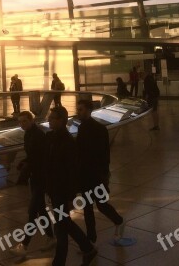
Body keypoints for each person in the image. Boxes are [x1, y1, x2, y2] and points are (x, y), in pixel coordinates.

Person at [45, 106, 97, 266]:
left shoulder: (67, 142)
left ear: (62, 120)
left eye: (53, 118)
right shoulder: (52, 137)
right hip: (55, 189)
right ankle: (87, 249)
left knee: (62, 225)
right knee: (63, 223)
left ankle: (60, 261)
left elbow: (72, 171)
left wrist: (70, 196)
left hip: (61, 190)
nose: (49, 120)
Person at [76, 99, 125, 244]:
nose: (79, 112)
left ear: (89, 110)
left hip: (95, 175)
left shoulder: (94, 129)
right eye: (78, 109)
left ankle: (118, 221)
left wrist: (104, 173)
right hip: (88, 174)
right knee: (89, 207)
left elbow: (102, 153)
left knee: (99, 205)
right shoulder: (86, 128)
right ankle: (92, 238)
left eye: (81, 109)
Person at [11, 111, 55, 257]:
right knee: (41, 210)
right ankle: (51, 237)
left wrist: (27, 165)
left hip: (41, 178)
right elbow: (32, 156)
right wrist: (25, 162)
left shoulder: (38, 136)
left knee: (32, 212)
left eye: (24, 121)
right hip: (35, 177)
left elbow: (39, 158)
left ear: (31, 120)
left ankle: (24, 245)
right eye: (20, 122)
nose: (22, 124)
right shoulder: (29, 134)